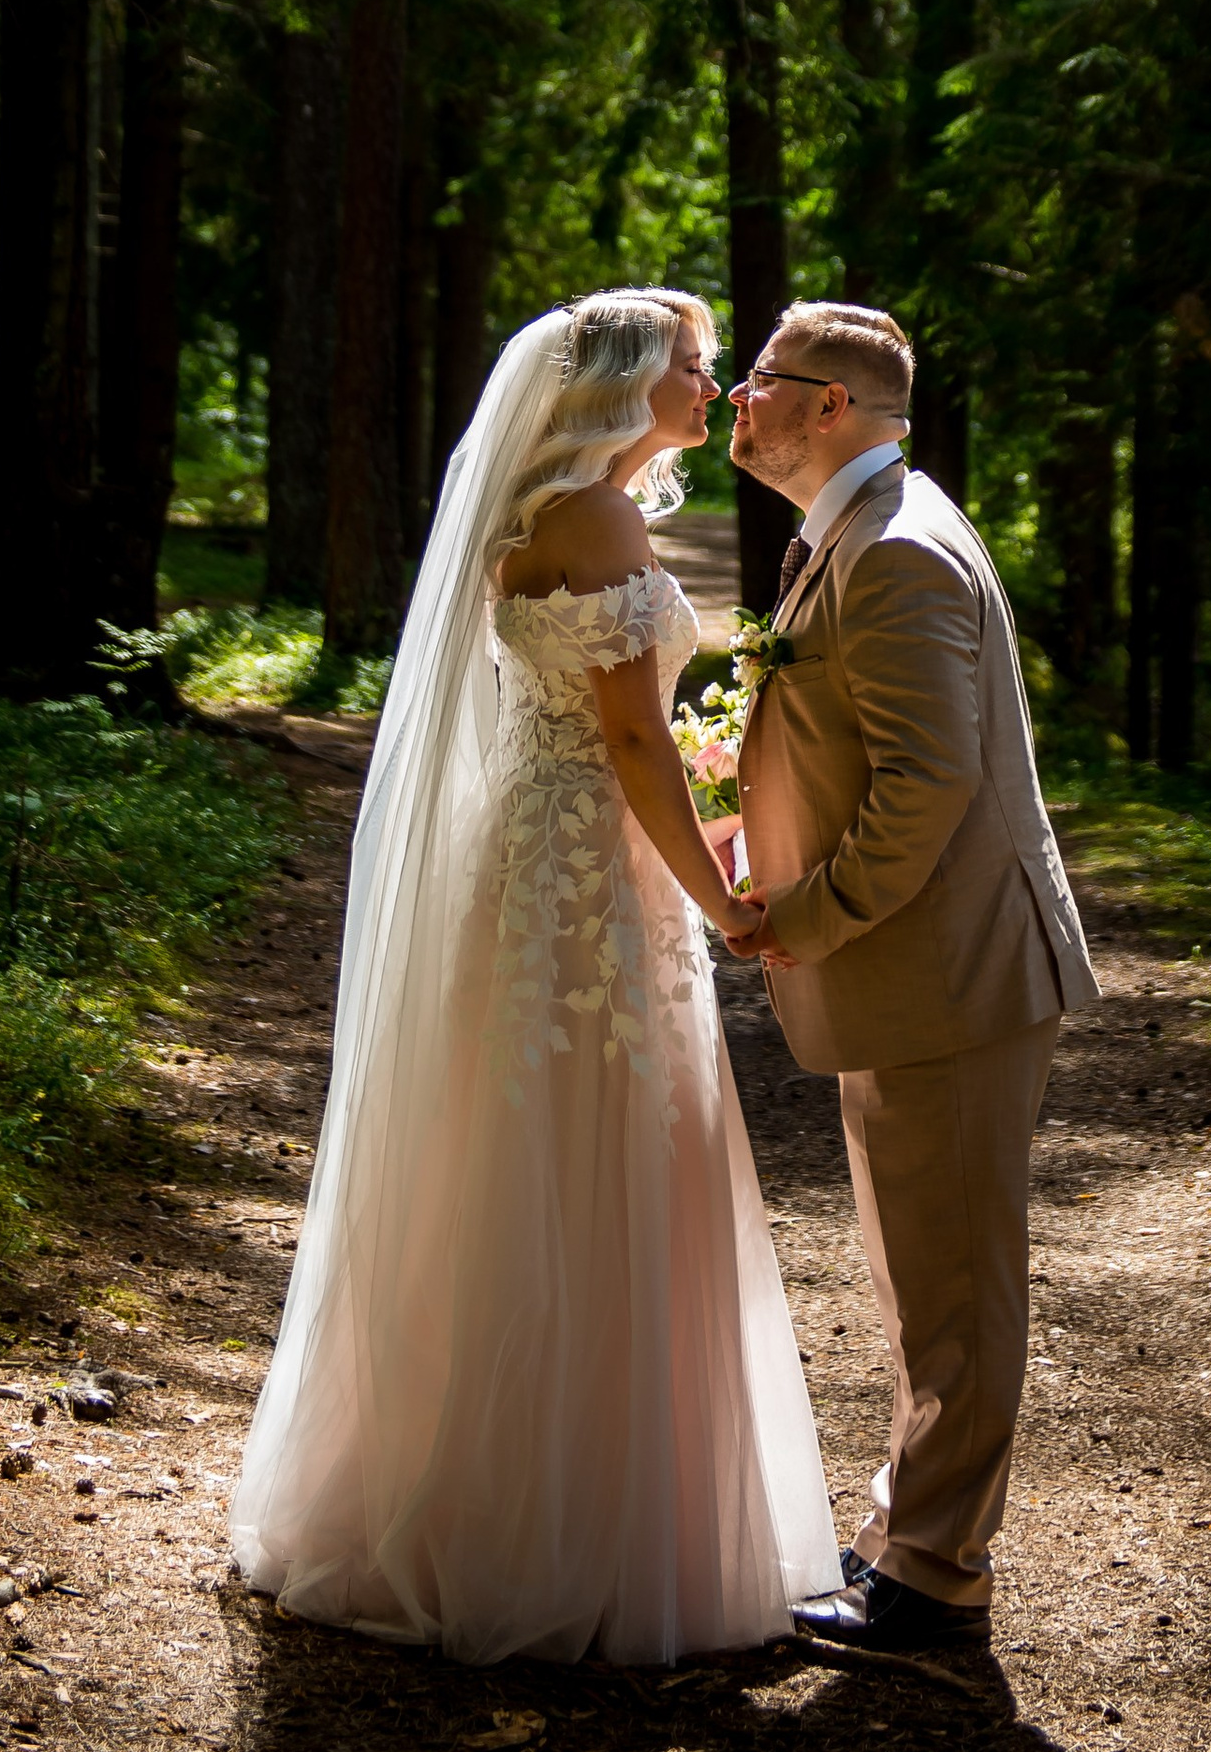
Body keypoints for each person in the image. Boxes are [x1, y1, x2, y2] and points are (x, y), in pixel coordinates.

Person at [229, 288, 838, 1664]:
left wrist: (705, 808)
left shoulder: (541, 514)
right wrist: (723, 902)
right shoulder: (605, 522)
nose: (716, 388)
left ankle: (473, 1496)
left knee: (515, 1149)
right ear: (627, 387)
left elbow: (613, 735)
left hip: (534, 853)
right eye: (694, 367)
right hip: (591, 882)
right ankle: (581, 1531)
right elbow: (630, 745)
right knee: (602, 1150)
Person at [727, 301, 1099, 1653]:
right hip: (923, 971)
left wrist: (805, 917)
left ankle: (936, 1574)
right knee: (918, 1274)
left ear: (828, 407)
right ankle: (906, 1529)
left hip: (952, 972)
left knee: (952, 1282)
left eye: (761, 381)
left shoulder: (896, 554)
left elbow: (928, 786)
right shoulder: (854, 531)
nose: (737, 401)